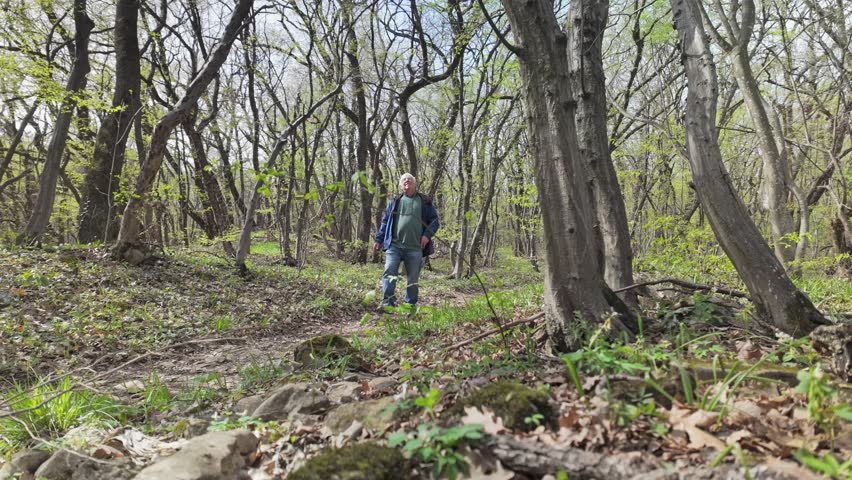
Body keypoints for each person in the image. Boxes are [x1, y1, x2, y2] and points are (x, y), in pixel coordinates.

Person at [373, 173, 440, 309]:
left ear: (415, 184)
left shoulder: (424, 201)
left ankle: (410, 305)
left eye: (410, 179)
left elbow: (434, 221)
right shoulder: (395, 201)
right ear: (400, 184)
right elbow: (385, 222)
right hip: (394, 246)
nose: (407, 181)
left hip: (415, 248)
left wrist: (427, 235)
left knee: (412, 278)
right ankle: (388, 303)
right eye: (404, 179)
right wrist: (379, 239)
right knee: (389, 272)